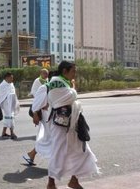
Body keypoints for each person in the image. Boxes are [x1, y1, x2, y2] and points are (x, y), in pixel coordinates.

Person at [46, 61, 98, 189]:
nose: (75, 73)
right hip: (61, 124)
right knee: (58, 152)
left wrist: (72, 89)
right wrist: (73, 89)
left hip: (72, 124)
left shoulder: (64, 82)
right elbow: (68, 98)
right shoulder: (56, 82)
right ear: (65, 71)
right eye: (73, 71)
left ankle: (74, 180)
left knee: (82, 151)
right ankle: (51, 183)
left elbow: (70, 97)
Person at [23, 69, 51, 166]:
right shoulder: (38, 81)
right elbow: (35, 93)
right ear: (41, 73)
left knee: (48, 137)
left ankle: (32, 154)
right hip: (42, 109)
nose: (46, 75)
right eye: (44, 73)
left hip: (47, 111)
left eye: (47, 74)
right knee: (49, 137)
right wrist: (41, 103)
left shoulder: (48, 81)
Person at [0, 72, 20, 140]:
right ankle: (12, 133)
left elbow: (13, 93)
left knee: (7, 118)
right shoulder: (2, 85)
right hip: (6, 103)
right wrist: (9, 97)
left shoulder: (11, 84)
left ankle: (3, 132)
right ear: (6, 78)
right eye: (11, 78)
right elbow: (1, 96)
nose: (12, 79)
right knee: (10, 117)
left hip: (12, 103)